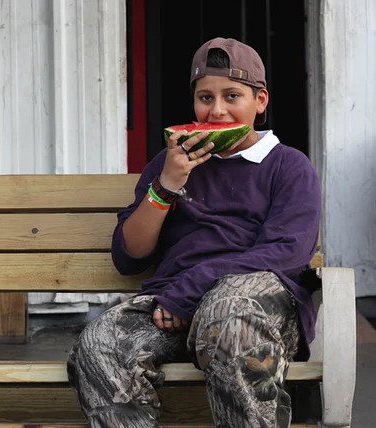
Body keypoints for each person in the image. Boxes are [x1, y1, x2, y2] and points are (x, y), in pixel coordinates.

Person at [67, 37, 321, 428]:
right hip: (171, 308)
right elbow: (128, 256)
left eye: (232, 96)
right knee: (99, 343)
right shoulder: (169, 162)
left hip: (253, 310)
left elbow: (287, 251)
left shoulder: (287, 165)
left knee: (227, 315)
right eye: (205, 97)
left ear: (261, 101)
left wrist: (192, 290)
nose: (216, 110)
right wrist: (166, 185)